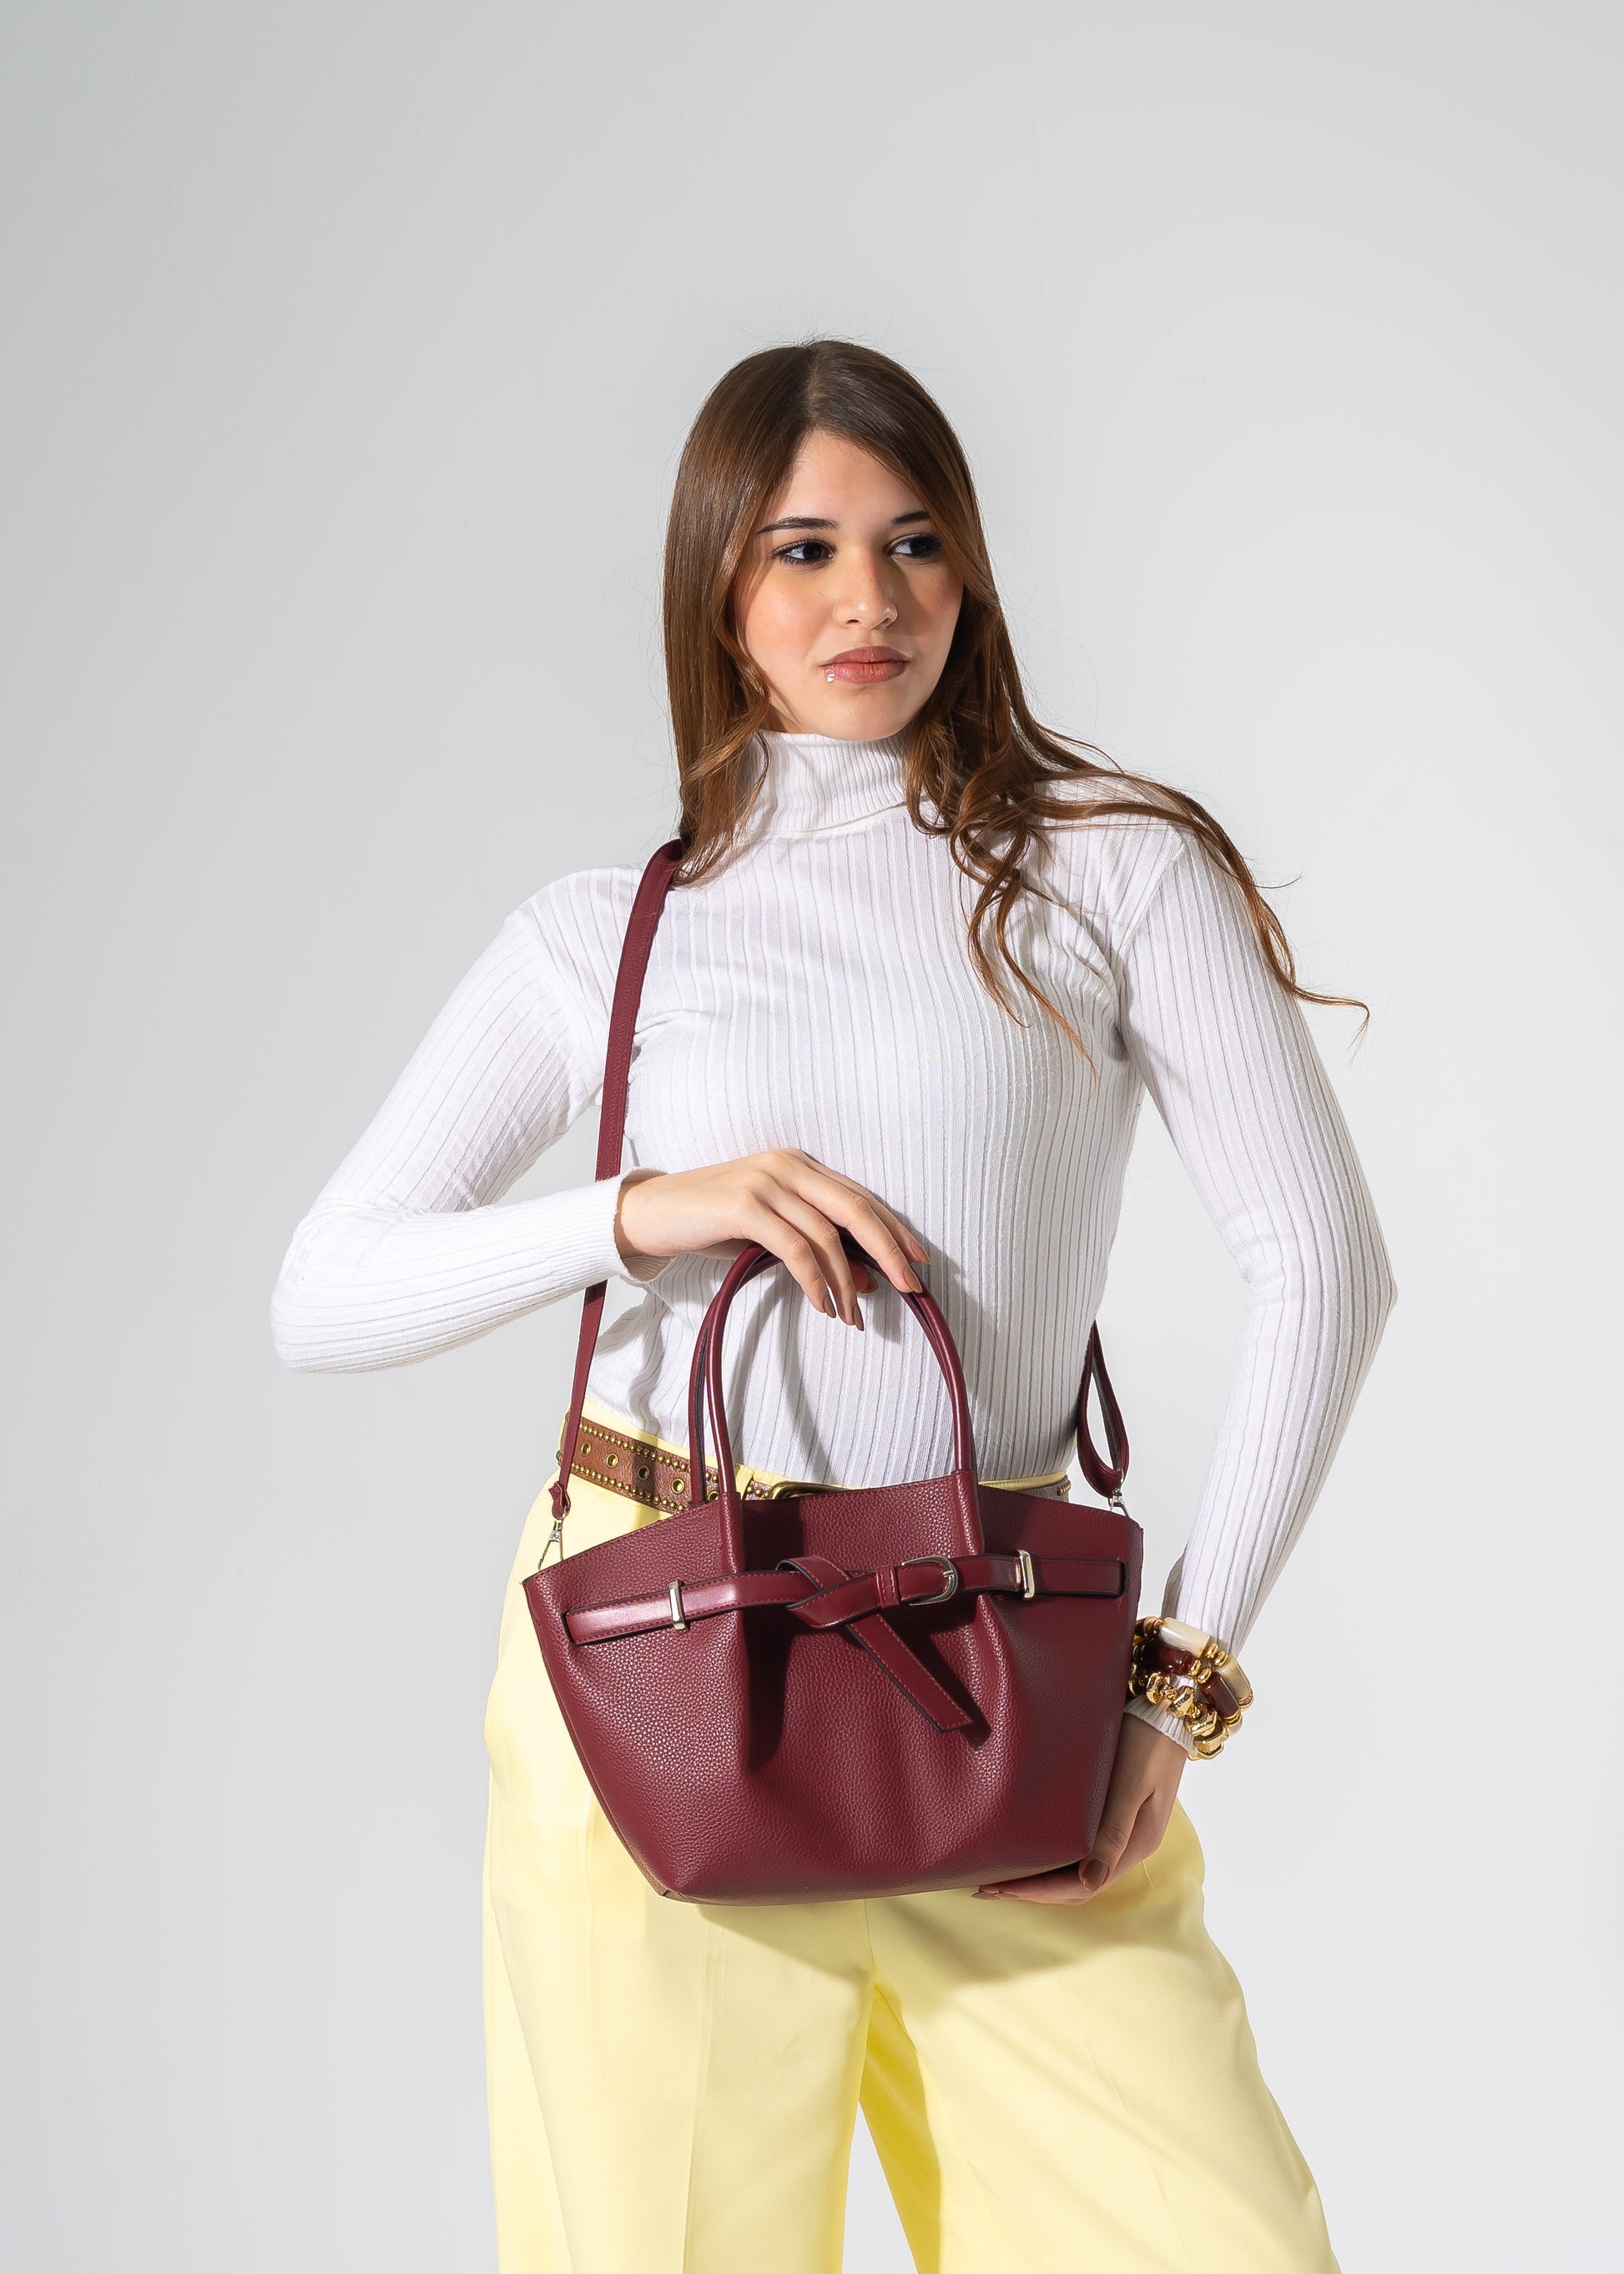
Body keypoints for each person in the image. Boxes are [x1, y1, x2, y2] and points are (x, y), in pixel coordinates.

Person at [272, 340, 1395, 2273]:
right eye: (802, 549)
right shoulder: (603, 936)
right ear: (718, 584)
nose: (866, 599)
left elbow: (1324, 1266)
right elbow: (324, 1293)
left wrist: (1177, 1685)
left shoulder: (1110, 872)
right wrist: (639, 1212)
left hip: (996, 1675)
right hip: (657, 1674)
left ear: (972, 571)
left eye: (912, 541)